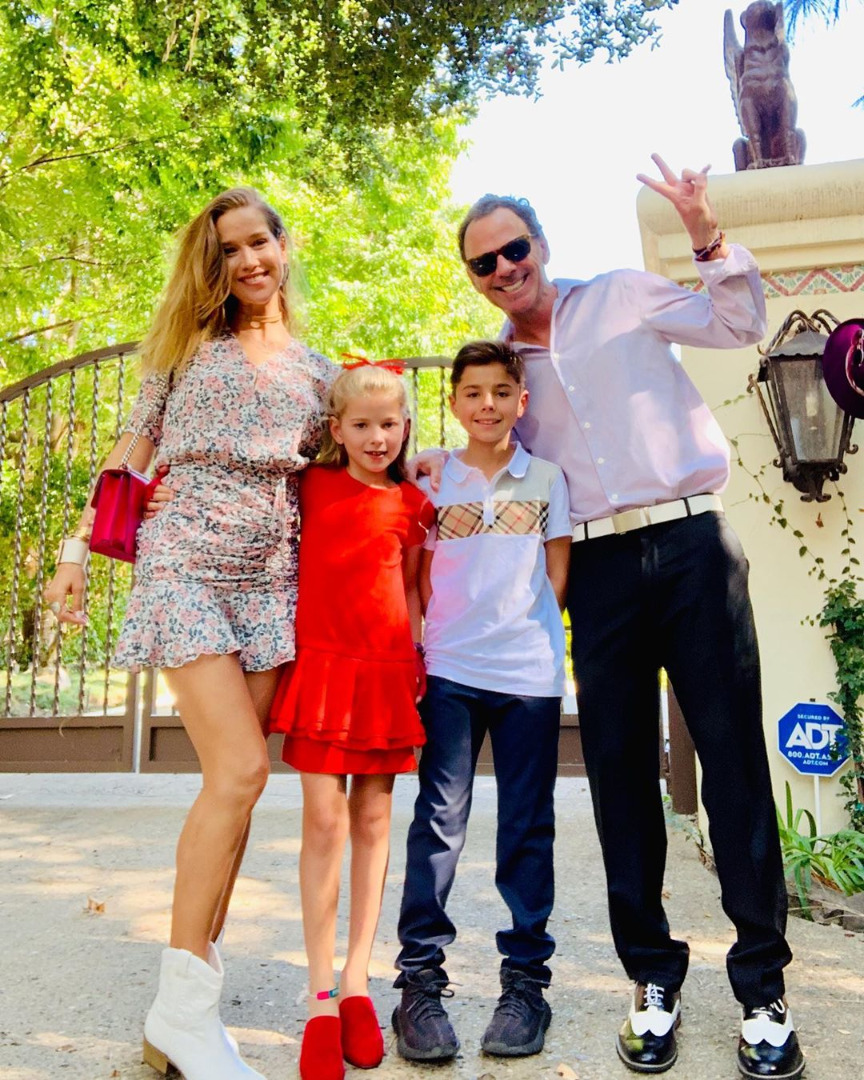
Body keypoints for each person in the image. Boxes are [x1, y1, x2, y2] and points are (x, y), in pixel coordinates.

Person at [437, 157, 804, 1080]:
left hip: (692, 545)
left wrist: (705, 233)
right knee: (619, 776)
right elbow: (484, 467)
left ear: (540, 243)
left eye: (514, 249)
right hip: (597, 570)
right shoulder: (503, 373)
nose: (504, 269)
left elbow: (737, 322)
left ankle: (763, 989)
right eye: (484, 263)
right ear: (473, 278)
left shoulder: (623, 295)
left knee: (732, 762)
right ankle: (652, 978)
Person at [44, 187, 337, 1080]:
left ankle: (187, 1006)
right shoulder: (184, 350)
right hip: (184, 562)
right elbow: (131, 448)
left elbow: (348, 469)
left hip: (273, 579)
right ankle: (182, 1012)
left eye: (259, 242)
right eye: (229, 250)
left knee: (235, 789)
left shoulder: (320, 373)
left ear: (283, 246)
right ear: (213, 265)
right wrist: (75, 552)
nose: (248, 261)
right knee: (241, 771)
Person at [391, 340, 571, 1063]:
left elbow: (558, 570)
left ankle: (525, 984)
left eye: (501, 392)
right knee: (439, 821)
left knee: (527, 826)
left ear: (521, 401)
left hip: (528, 676)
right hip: (451, 672)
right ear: (455, 401)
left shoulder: (548, 478)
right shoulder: (434, 480)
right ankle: (419, 983)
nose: (487, 404)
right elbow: (418, 575)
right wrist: (431, 645)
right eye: (473, 392)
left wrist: (525, 635)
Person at [268, 362, 434, 1080]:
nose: (376, 438)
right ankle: (320, 998)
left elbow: (414, 590)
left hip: (386, 673)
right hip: (322, 669)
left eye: (388, 424)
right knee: (324, 822)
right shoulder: (310, 485)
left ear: (405, 427)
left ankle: (358, 982)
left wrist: (416, 663)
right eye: (361, 425)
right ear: (336, 429)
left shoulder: (414, 503)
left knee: (372, 820)